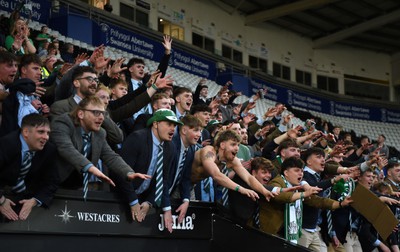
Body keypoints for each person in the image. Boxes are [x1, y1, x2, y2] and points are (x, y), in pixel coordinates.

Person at [50, 96, 150, 198]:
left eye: (103, 113)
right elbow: (66, 149)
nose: (102, 117)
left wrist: (128, 172)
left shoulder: (100, 133)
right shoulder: (63, 122)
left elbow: (110, 156)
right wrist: (91, 168)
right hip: (51, 184)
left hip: (75, 187)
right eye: (96, 112)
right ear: (80, 114)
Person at [116, 109, 183, 233]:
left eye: (174, 125)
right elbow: (120, 172)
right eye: (168, 124)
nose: (173, 129)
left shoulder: (171, 147)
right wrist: (133, 201)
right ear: (155, 124)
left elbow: (163, 179)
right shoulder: (137, 138)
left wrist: (149, 202)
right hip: (120, 198)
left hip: (142, 200)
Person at [260, 157, 350, 245]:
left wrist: (341, 204)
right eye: (296, 170)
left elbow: (316, 201)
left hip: (282, 234)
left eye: (302, 171)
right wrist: (304, 194)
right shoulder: (277, 182)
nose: (300, 174)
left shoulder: (297, 186)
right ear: (286, 172)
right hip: (266, 232)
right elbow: (279, 196)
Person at [191, 129, 275, 207]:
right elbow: (216, 175)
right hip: (181, 181)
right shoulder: (209, 152)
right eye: (233, 144)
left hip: (191, 186)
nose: (237, 148)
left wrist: (264, 191)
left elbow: (249, 178)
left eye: (238, 145)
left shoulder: (233, 161)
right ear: (222, 145)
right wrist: (241, 189)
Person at [0, 114, 59, 221]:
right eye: (41, 132)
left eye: (48, 133)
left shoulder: (49, 149)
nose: (46, 137)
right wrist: (1, 201)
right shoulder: (5, 144)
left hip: (22, 200)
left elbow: (52, 181)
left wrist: (35, 200)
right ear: (26, 132)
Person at [168, 115, 202, 223]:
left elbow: (185, 179)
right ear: (183, 130)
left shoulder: (191, 150)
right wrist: (166, 206)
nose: (199, 135)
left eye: (200, 131)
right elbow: (163, 177)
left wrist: (186, 200)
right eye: (196, 130)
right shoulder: (171, 145)